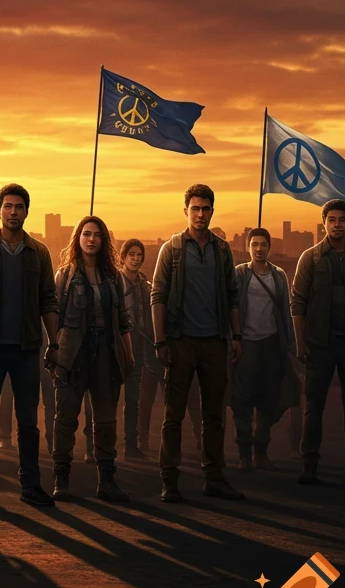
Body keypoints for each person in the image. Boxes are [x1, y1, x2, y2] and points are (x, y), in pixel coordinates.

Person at [0, 183, 57, 508]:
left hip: (27, 348)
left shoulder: (39, 252)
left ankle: (31, 486)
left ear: (26, 211)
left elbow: (48, 300)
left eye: (19, 207)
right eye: (8, 206)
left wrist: (54, 343)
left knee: (28, 422)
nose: (13, 212)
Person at [151, 184, 244, 502]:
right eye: (195, 208)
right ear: (186, 211)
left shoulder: (222, 250)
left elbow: (232, 295)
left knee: (215, 415)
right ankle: (170, 481)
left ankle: (214, 478)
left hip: (215, 342)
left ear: (212, 211)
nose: (200, 214)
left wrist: (236, 336)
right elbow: (158, 295)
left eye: (205, 208)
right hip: (181, 342)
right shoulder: (172, 249)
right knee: (174, 415)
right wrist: (160, 341)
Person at [49, 216, 134, 502]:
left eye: (97, 235)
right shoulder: (64, 276)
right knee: (66, 418)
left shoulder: (113, 278)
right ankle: (61, 480)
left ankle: (106, 481)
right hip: (73, 354)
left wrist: (128, 354)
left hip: (107, 352)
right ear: (78, 238)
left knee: (106, 420)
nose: (91, 239)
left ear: (104, 240)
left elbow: (123, 321)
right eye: (86, 234)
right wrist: (53, 351)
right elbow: (54, 318)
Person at [290, 199, 345, 486]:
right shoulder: (311, 258)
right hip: (319, 344)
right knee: (313, 407)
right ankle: (309, 465)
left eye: (342, 220)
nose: (337, 225)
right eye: (332, 220)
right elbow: (298, 303)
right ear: (324, 222)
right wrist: (301, 344)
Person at [230, 228, 296, 473]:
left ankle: (260, 451)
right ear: (248, 247)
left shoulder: (278, 276)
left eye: (263, 244)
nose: (259, 249)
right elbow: (231, 305)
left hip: (272, 342)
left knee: (269, 399)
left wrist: (289, 344)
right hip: (246, 343)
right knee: (242, 400)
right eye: (254, 244)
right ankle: (244, 454)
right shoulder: (240, 273)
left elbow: (286, 311)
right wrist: (233, 338)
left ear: (269, 247)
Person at [121, 238, 161, 459]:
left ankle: (131, 445)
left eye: (139, 255)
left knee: (133, 398)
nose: (135, 259)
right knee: (108, 398)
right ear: (123, 257)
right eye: (132, 255)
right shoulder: (115, 282)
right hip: (117, 345)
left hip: (139, 346)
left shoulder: (145, 286)